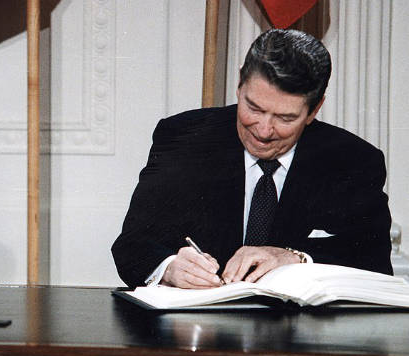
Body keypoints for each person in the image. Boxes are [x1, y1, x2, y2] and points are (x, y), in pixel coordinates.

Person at [112, 29, 392, 289]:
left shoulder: (353, 160)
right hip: (200, 332)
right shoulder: (184, 138)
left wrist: (295, 257)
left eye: (285, 118)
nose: (263, 130)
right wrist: (170, 268)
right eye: (254, 108)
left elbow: (374, 260)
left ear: (314, 109)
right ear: (239, 84)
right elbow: (133, 245)